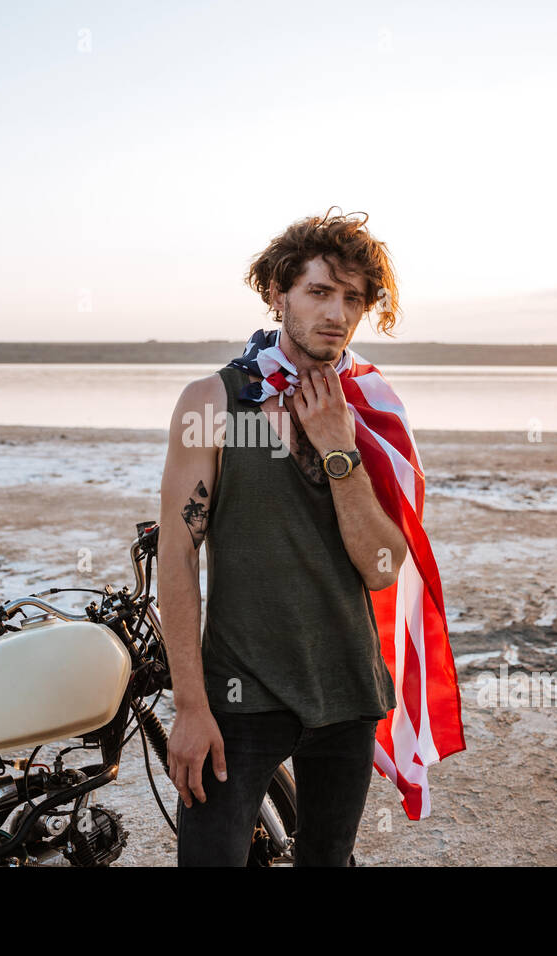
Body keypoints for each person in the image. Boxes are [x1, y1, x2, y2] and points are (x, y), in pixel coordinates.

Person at [157, 207, 409, 866]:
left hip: (348, 687)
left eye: (353, 299)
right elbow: (178, 551)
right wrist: (189, 705)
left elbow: (383, 566)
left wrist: (337, 448)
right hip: (240, 693)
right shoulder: (213, 404)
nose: (337, 313)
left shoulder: (372, 410)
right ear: (278, 294)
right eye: (320, 291)